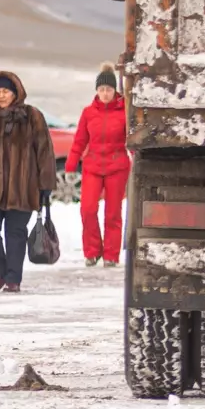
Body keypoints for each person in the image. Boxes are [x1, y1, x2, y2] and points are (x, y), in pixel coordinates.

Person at [0, 72, 56, 293]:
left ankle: (13, 279)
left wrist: (45, 184)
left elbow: (45, 150)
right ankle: (0, 272)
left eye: (6, 91)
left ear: (15, 92)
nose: (1, 96)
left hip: (22, 186)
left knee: (15, 232)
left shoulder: (32, 116)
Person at [69, 63, 130, 268]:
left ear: (115, 91)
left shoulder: (124, 112)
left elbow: (133, 138)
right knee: (87, 209)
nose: (105, 94)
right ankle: (92, 251)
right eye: (102, 90)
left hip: (117, 166)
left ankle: (111, 254)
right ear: (97, 91)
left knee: (113, 213)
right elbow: (79, 140)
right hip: (93, 166)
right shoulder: (88, 113)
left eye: (109, 90)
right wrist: (71, 163)